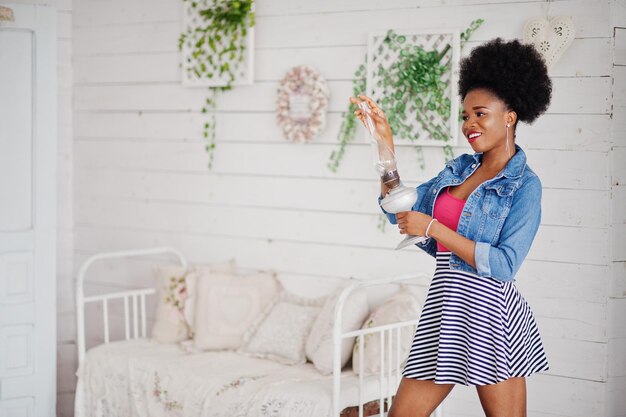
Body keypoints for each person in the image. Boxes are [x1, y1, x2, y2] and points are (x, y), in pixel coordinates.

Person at [351, 38, 552, 417]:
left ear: (510, 116)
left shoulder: (525, 186)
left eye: (480, 114)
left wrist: (435, 230)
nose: (469, 125)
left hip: (491, 318)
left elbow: (506, 264)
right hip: (444, 311)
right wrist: (385, 147)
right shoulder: (459, 169)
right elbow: (402, 211)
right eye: (465, 116)